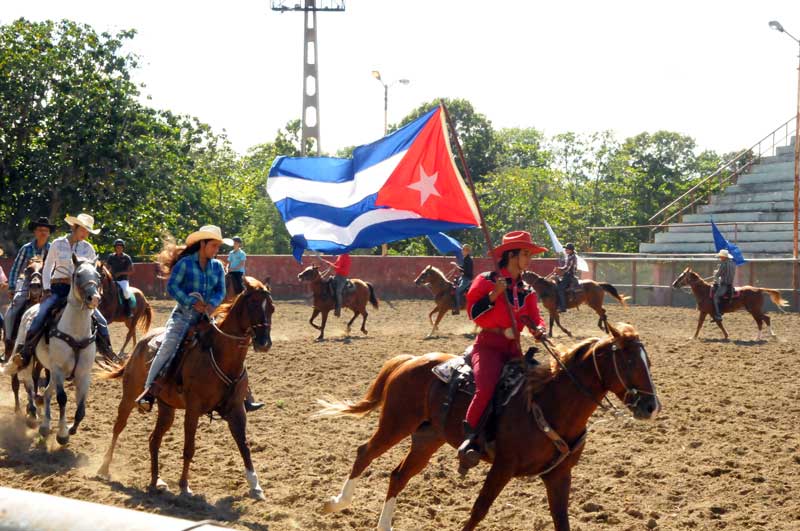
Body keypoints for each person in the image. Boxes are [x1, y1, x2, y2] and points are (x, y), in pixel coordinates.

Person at [135, 225, 262, 413]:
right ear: (203, 244)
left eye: (218, 247)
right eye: (214, 246)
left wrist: (211, 304)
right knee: (169, 345)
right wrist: (190, 301)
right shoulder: (185, 264)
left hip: (207, 317)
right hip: (183, 316)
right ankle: (148, 391)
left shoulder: (218, 266)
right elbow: (172, 287)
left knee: (231, 346)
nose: (217, 250)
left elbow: (221, 290)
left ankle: (243, 394)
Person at [458, 231, 548, 474]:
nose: (529, 259)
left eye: (530, 254)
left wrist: (539, 329)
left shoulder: (526, 289)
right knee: (486, 387)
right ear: (511, 255)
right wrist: (493, 295)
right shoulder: (486, 280)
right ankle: (470, 440)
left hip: (514, 349)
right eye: (526, 254)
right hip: (488, 346)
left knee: (543, 384)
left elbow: (534, 318)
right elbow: (473, 313)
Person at [12, 213, 114, 368]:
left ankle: (108, 354)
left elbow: (92, 274)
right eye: (84, 230)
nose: (86, 234)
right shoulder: (57, 244)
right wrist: (46, 290)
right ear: (75, 227)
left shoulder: (89, 249)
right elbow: (47, 268)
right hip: (59, 288)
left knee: (101, 321)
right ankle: (25, 352)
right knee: (40, 315)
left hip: (80, 292)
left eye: (88, 231)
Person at [3, 217, 54, 355]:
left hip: (46, 285)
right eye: (40, 230)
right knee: (12, 310)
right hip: (27, 283)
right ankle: (8, 340)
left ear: (49, 233)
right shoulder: (26, 249)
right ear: (35, 232)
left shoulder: (52, 249)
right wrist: (12, 287)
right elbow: (15, 268)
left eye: (46, 230)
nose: (43, 232)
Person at [106, 239, 135, 318]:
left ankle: (128, 310)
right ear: (115, 248)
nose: (119, 248)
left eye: (120, 247)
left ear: (123, 248)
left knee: (126, 292)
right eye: (117, 247)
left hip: (123, 280)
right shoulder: (111, 257)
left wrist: (121, 273)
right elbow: (107, 268)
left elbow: (132, 271)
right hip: (112, 279)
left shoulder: (126, 257)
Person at [321, 253, 351, 317]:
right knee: (327, 285)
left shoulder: (347, 257)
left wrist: (331, 265)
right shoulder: (340, 256)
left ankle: (338, 310)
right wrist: (329, 263)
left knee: (338, 292)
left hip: (342, 278)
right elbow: (336, 264)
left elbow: (339, 268)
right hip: (337, 276)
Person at [553, 242, 578, 313]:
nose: (565, 250)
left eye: (567, 249)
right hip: (567, 274)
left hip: (569, 275)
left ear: (571, 250)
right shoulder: (569, 256)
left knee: (560, 289)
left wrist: (559, 270)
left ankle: (563, 307)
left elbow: (567, 268)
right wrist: (559, 268)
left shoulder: (573, 257)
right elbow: (565, 267)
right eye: (566, 249)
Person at [712, 248, 736, 322]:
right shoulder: (733, 263)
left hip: (724, 285)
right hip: (731, 284)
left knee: (715, 297)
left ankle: (718, 315)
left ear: (724, 257)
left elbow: (718, 274)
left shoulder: (723, 264)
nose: (720, 258)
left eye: (721, 256)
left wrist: (715, 274)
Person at [451, 244, 474, 315]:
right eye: (462, 249)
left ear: (467, 251)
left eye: (463, 249)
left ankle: (457, 309)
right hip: (464, 277)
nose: (462, 251)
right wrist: (458, 266)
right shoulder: (466, 258)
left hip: (466, 279)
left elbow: (467, 271)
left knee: (457, 291)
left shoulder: (468, 260)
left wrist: (457, 266)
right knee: (453, 286)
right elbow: (463, 268)